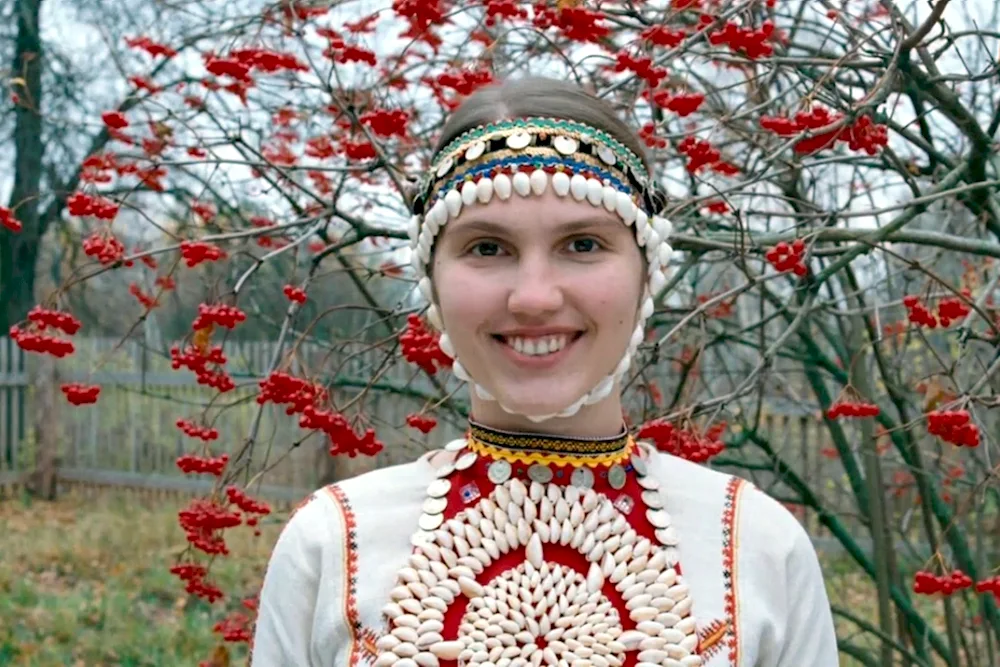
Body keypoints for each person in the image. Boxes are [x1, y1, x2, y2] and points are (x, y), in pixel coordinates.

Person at [250, 76, 839, 667]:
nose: (533, 297)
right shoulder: (332, 545)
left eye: (582, 245)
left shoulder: (755, 546)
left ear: (646, 274)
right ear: (432, 281)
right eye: (487, 248)